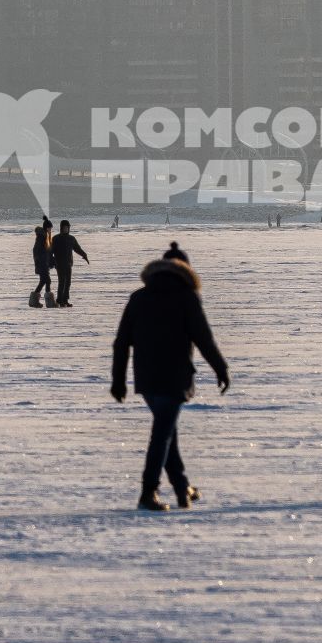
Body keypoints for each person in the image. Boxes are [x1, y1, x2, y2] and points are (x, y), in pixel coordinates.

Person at [111, 242, 230, 511]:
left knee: (167, 433)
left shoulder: (139, 297)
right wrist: (221, 369)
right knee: (163, 434)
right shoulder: (187, 297)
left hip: (147, 379)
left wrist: (118, 380)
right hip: (174, 377)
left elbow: (121, 342)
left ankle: (182, 487)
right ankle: (148, 492)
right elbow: (204, 339)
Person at [50, 219, 90, 307]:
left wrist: (84, 255)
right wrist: (51, 261)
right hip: (59, 264)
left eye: (67, 228)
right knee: (62, 282)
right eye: (64, 228)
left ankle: (65, 300)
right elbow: (50, 251)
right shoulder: (56, 238)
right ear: (61, 228)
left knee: (68, 282)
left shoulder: (71, 239)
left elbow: (77, 248)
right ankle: (60, 300)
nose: (66, 229)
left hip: (68, 264)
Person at [29, 220, 55, 308]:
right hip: (42, 263)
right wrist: (39, 261)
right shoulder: (41, 237)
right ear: (46, 228)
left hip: (45, 263)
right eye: (49, 228)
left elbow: (49, 252)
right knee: (47, 280)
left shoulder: (47, 237)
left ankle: (34, 301)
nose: (50, 230)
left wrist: (51, 261)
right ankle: (50, 302)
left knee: (43, 281)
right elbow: (36, 250)